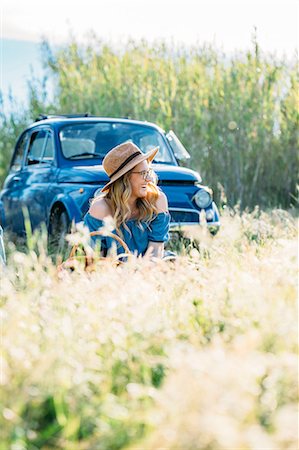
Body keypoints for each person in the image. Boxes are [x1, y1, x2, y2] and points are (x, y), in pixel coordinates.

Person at [83, 141, 171, 259]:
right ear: (125, 179)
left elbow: (156, 252)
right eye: (143, 173)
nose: (149, 179)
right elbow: (94, 259)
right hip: (112, 272)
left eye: (148, 172)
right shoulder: (101, 208)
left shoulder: (157, 200)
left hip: (149, 269)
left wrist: (139, 271)